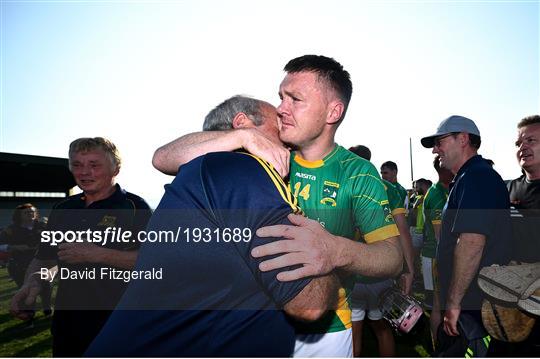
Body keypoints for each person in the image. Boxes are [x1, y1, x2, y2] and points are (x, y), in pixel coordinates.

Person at [152, 55, 403, 357]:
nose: (281, 109)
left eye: (295, 99)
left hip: (326, 328)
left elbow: (392, 257)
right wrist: (241, 136)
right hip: (249, 325)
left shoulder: (357, 172)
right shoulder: (260, 149)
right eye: (281, 97)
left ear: (332, 112)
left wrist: (335, 251)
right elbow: (163, 158)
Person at [85, 95, 338, 357]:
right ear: (242, 123)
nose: (286, 130)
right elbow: (310, 304)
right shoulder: (243, 169)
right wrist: (330, 249)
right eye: (278, 123)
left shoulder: (201, 171)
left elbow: (162, 157)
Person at [10, 137, 152, 357]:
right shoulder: (63, 208)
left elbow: (153, 262)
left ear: (115, 168)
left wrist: (97, 254)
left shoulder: (134, 207)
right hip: (68, 323)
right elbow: (46, 259)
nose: (84, 172)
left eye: (94, 165)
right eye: (77, 165)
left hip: (116, 323)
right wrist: (32, 282)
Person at [420, 115, 511, 355]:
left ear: (463, 139)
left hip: (474, 309)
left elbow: (471, 242)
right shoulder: (466, 178)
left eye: (440, 142)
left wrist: (454, 302)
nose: (435, 150)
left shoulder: (477, 177)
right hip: (468, 305)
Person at [348, 145, 416, 357]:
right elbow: (403, 231)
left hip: (352, 271)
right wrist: (409, 269)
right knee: (383, 329)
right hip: (382, 270)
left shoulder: (342, 183)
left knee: (353, 332)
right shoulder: (390, 188)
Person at [489, 114, 540, 356]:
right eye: (519, 143)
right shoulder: (505, 189)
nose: (523, 147)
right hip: (510, 305)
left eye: (531, 140)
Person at [421, 156, 453, 349]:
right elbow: (441, 234)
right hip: (435, 256)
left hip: (438, 255)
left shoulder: (446, 189)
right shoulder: (437, 193)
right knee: (437, 305)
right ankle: (437, 347)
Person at [0, 204, 52, 315]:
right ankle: (29, 315)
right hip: (20, 264)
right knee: (26, 289)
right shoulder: (11, 230)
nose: (30, 214)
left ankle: (47, 308)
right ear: (19, 215)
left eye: (32, 212)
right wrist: (14, 247)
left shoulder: (43, 226)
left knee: (46, 287)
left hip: (42, 263)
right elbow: (1, 244)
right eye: (26, 212)